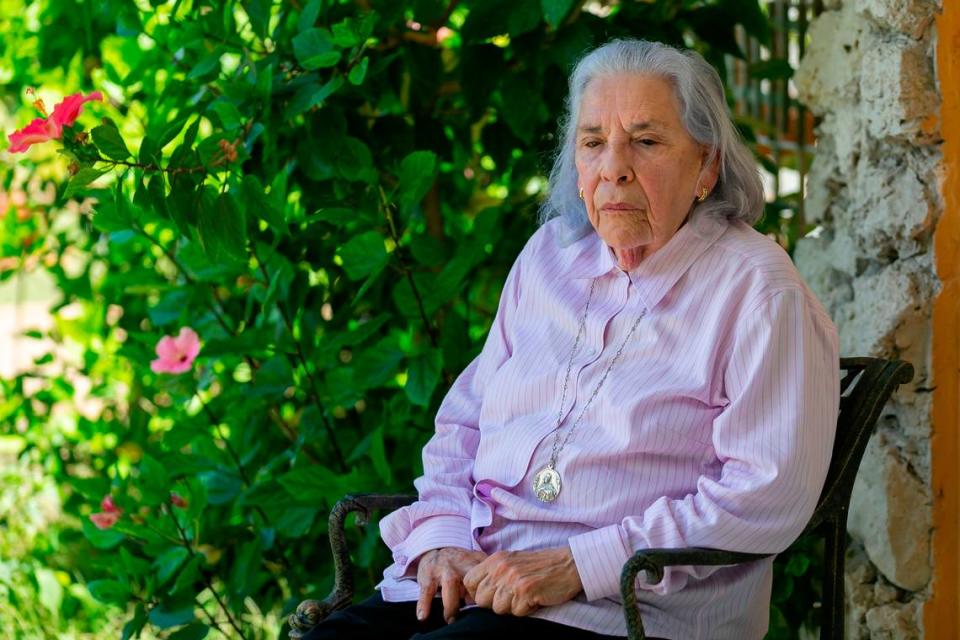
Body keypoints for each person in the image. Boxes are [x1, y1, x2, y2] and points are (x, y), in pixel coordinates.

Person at [301, 38, 839, 640]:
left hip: (617, 614)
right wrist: (440, 542)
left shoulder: (758, 291)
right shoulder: (548, 258)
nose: (614, 167)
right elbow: (462, 426)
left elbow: (765, 495)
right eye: (592, 143)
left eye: (646, 140)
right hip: (475, 582)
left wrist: (581, 565)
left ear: (707, 167)